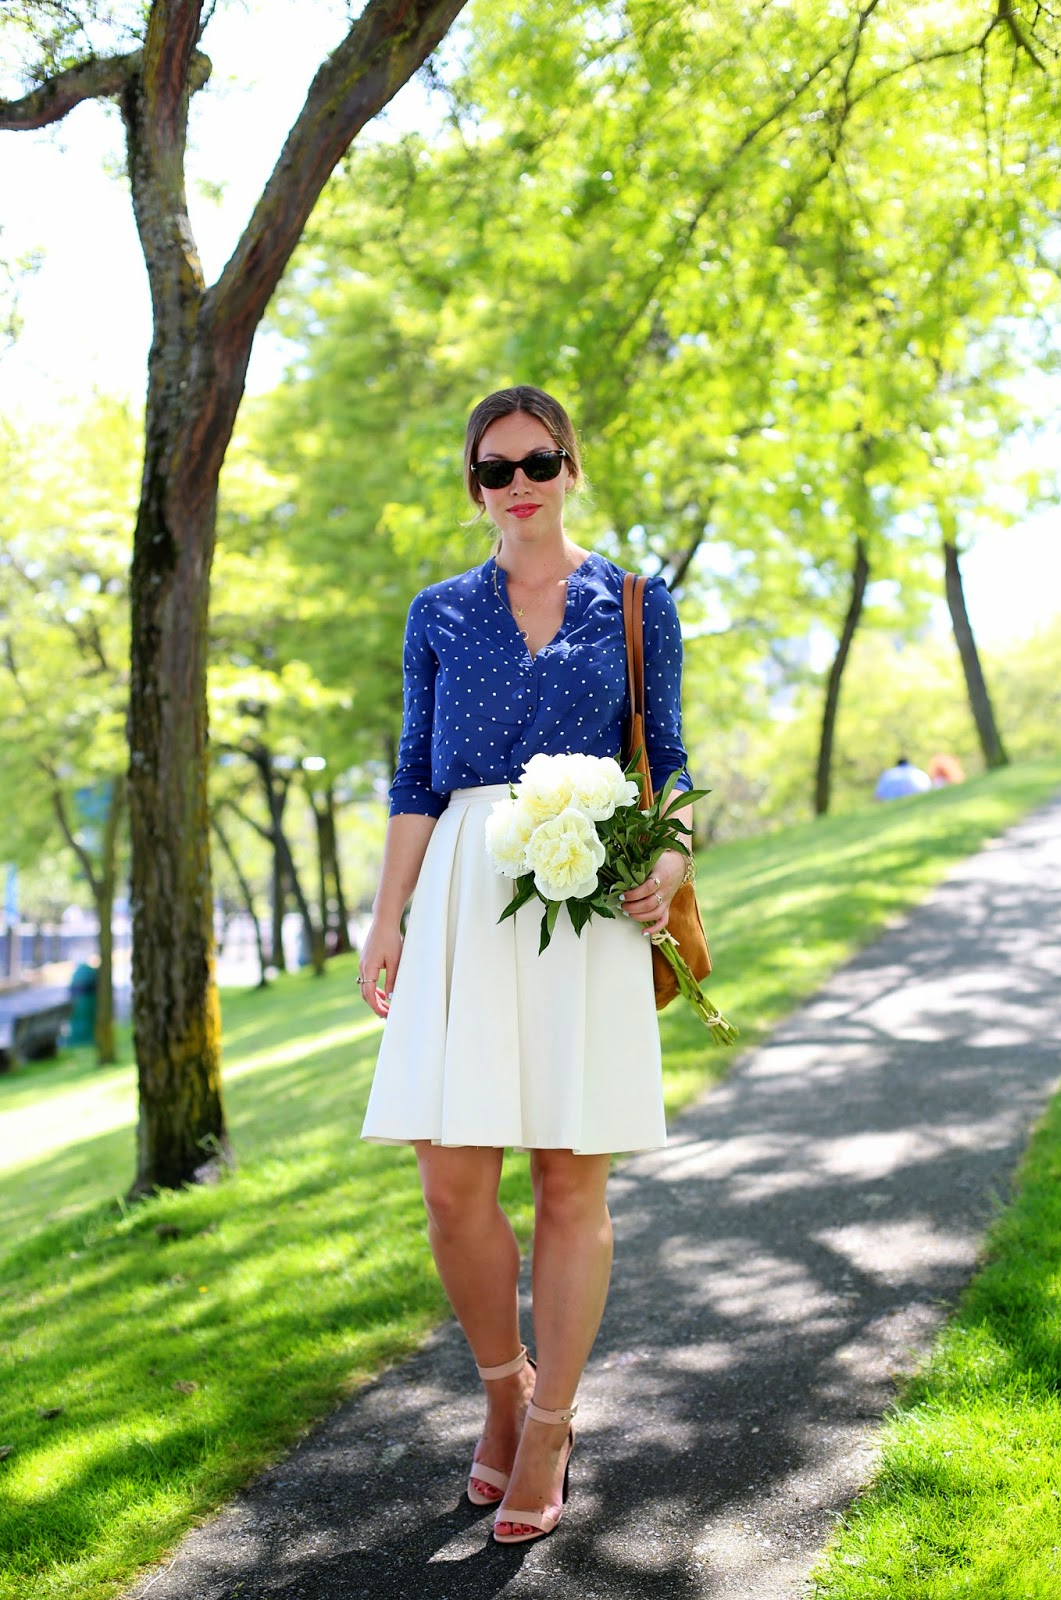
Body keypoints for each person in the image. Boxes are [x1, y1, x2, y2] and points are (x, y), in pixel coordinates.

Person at [358, 385, 694, 1544]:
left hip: (586, 900)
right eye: (495, 469)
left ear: (569, 466)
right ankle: (500, 1385)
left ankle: (550, 1420)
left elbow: (673, 766)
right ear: (474, 487)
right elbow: (413, 776)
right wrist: (386, 916)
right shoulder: (438, 613)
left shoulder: (635, 604)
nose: (518, 484)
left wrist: (678, 858)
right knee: (450, 1182)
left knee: (566, 1178)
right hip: (459, 892)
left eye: (537, 461)